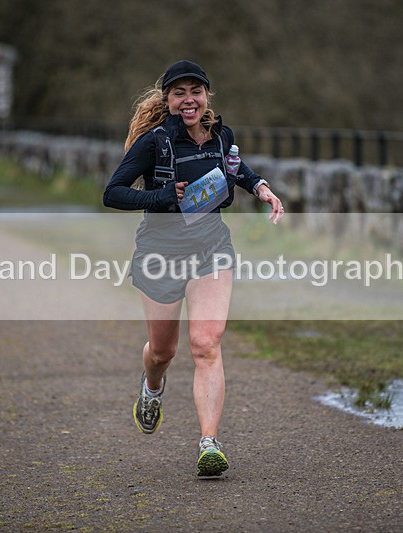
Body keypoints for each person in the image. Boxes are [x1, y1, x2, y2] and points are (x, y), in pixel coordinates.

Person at [103, 60, 284, 476]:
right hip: (160, 252)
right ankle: (152, 386)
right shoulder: (154, 142)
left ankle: (209, 443)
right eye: (179, 93)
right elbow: (112, 193)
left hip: (210, 248)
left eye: (195, 91)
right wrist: (163, 196)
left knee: (205, 344)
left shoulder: (221, 136)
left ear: (207, 96)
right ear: (167, 100)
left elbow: (235, 169)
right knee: (163, 351)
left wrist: (261, 188)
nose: (189, 100)